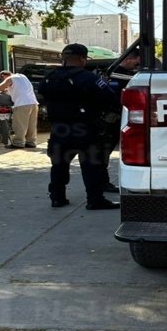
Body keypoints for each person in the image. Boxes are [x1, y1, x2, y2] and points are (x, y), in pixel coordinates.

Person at [38, 43, 120, 210]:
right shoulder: (89, 78)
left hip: (59, 128)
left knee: (59, 165)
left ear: (63, 58)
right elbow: (111, 99)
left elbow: (42, 95)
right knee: (91, 165)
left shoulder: (49, 77)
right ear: (83, 58)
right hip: (85, 128)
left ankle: (57, 198)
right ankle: (95, 200)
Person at [96, 50, 142, 193]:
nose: (137, 66)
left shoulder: (120, 74)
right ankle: (101, 183)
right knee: (103, 153)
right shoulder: (116, 74)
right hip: (110, 119)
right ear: (128, 59)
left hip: (118, 118)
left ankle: (102, 182)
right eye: (136, 62)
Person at [0, 70, 39, 149]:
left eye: (2, 79)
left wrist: (3, 87)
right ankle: (31, 142)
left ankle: (18, 143)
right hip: (33, 103)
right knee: (31, 125)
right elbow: (18, 90)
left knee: (20, 124)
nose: (3, 80)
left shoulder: (10, 78)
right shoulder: (23, 76)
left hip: (22, 104)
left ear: (3, 76)